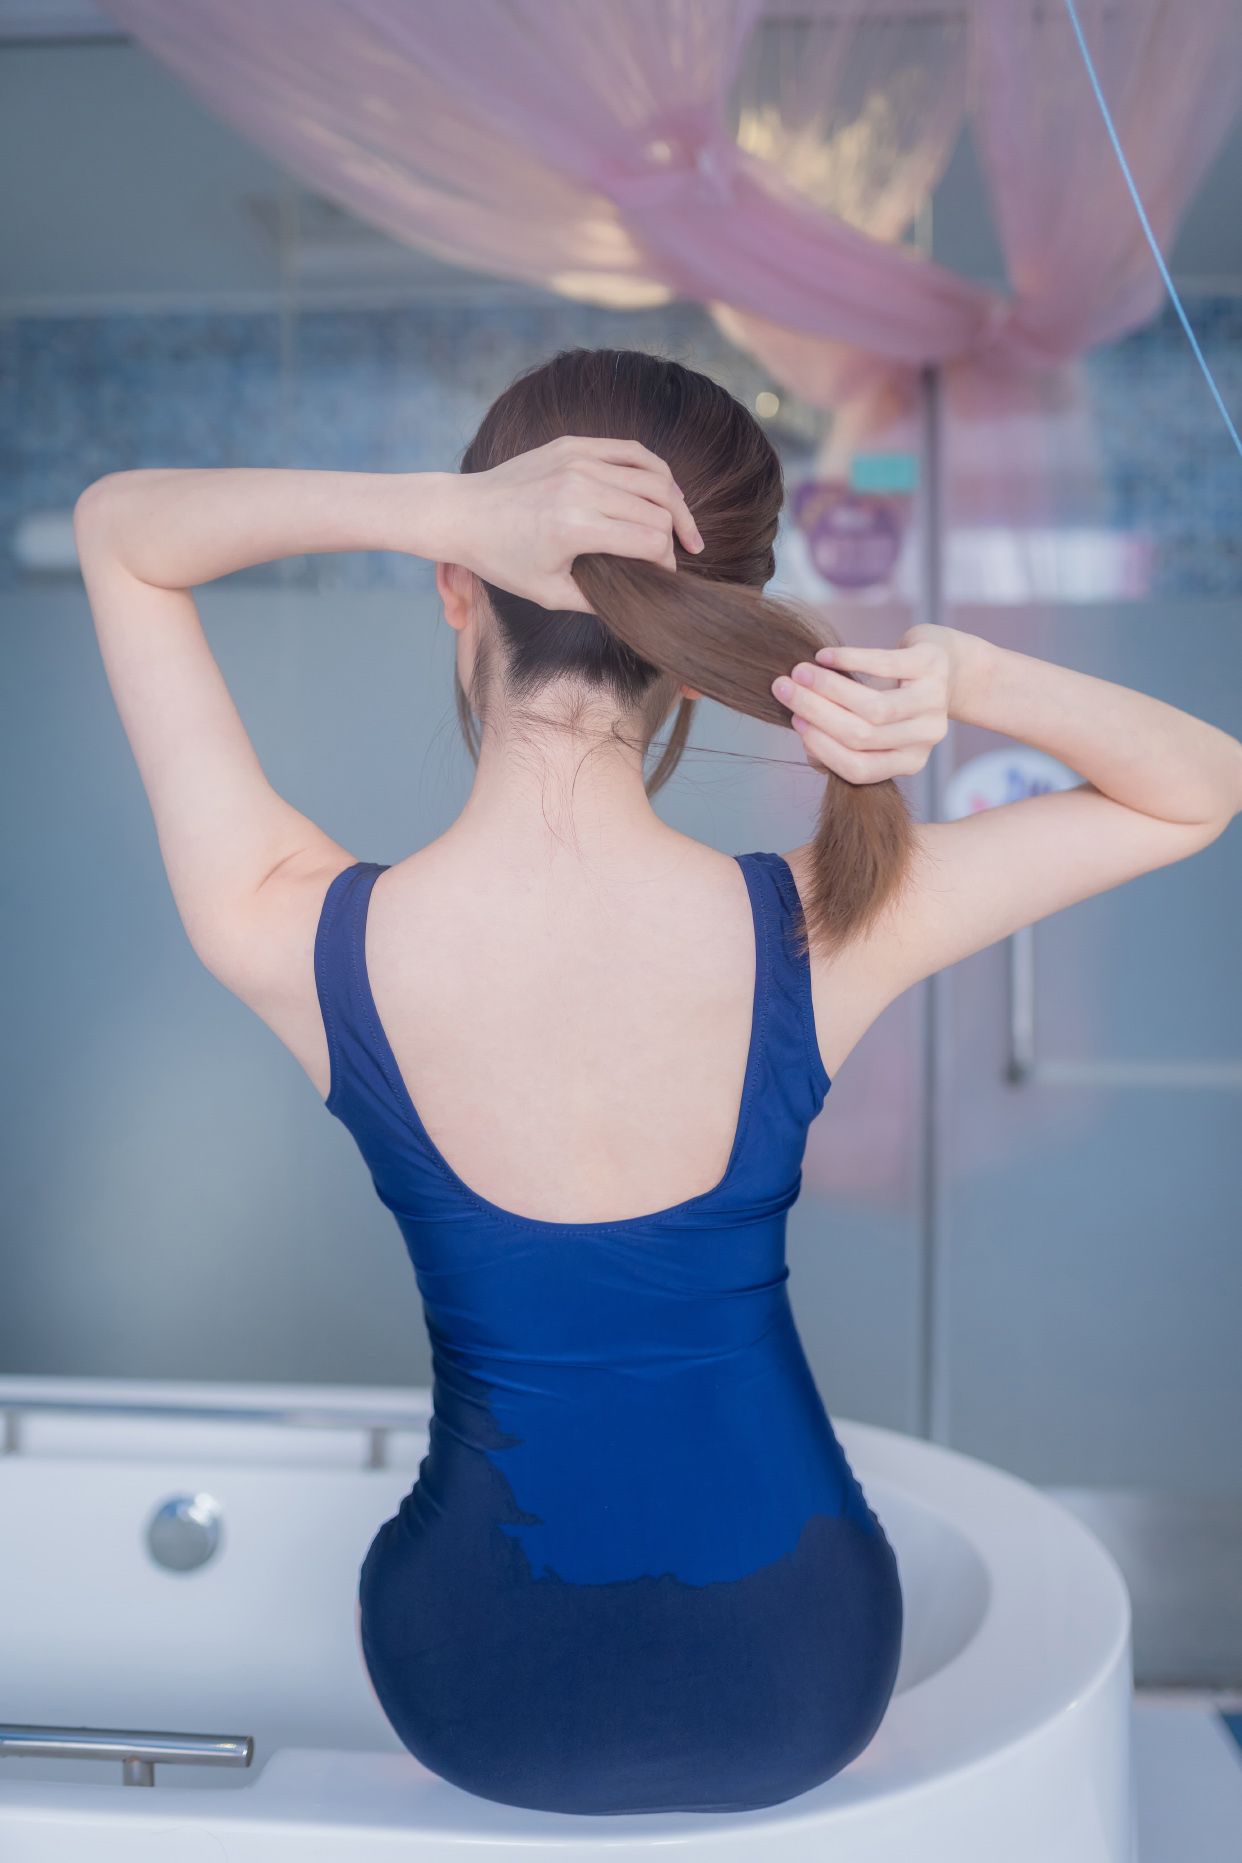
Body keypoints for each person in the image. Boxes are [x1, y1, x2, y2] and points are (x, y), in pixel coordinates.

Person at [74, 347, 1241, 1816]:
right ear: (699, 641)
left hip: (471, 1685)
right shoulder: (826, 926)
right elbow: (1196, 786)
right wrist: (970, 677)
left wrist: (445, 510)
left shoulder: (296, 932)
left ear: (456, 586)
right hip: (807, 1668)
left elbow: (122, 530)